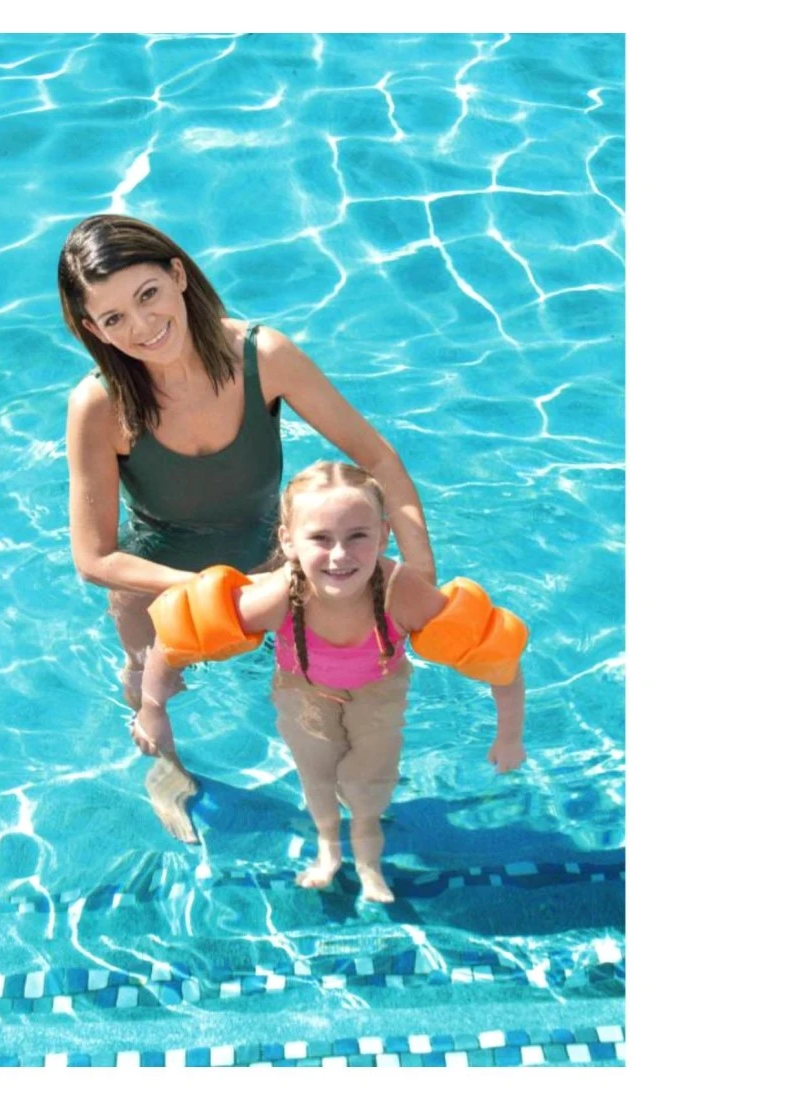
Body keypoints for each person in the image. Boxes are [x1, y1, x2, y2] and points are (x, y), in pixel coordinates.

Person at [59, 215, 437, 835]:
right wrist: (219, 592)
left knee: (323, 689)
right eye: (114, 318)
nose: (143, 327)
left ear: (178, 276)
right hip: (160, 594)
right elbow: (95, 558)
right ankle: (168, 777)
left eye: (148, 294)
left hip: (270, 570)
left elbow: (378, 458)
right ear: (91, 329)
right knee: (154, 695)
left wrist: (420, 570)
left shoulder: (264, 357)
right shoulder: (99, 406)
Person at [135, 461, 528, 903]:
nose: (340, 555)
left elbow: (495, 657)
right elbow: (176, 639)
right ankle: (328, 847)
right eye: (320, 538)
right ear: (288, 540)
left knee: (369, 784)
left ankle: (368, 859)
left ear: (384, 535)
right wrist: (152, 707)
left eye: (357, 536)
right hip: (302, 692)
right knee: (317, 776)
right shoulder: (277, 596)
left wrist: (509, 736)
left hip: (379, 693)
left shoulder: (403, 593)